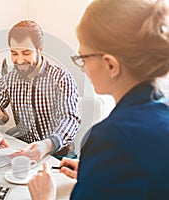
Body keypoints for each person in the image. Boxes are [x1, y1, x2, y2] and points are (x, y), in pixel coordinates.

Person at [28, 0, 169, 199]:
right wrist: (97, 174)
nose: (83, 67)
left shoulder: (111, 138)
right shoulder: (161, 112)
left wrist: (43, 197)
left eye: (83, 58)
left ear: (111, 65)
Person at [0, 20, 80, 162]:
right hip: (25, 152)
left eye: (26, 52)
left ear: (40, 49)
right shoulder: (9, 79)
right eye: (14, 53)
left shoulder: (61, 78)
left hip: (59, 156)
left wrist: (47, 145)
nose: (19, 60)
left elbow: (70, 119)